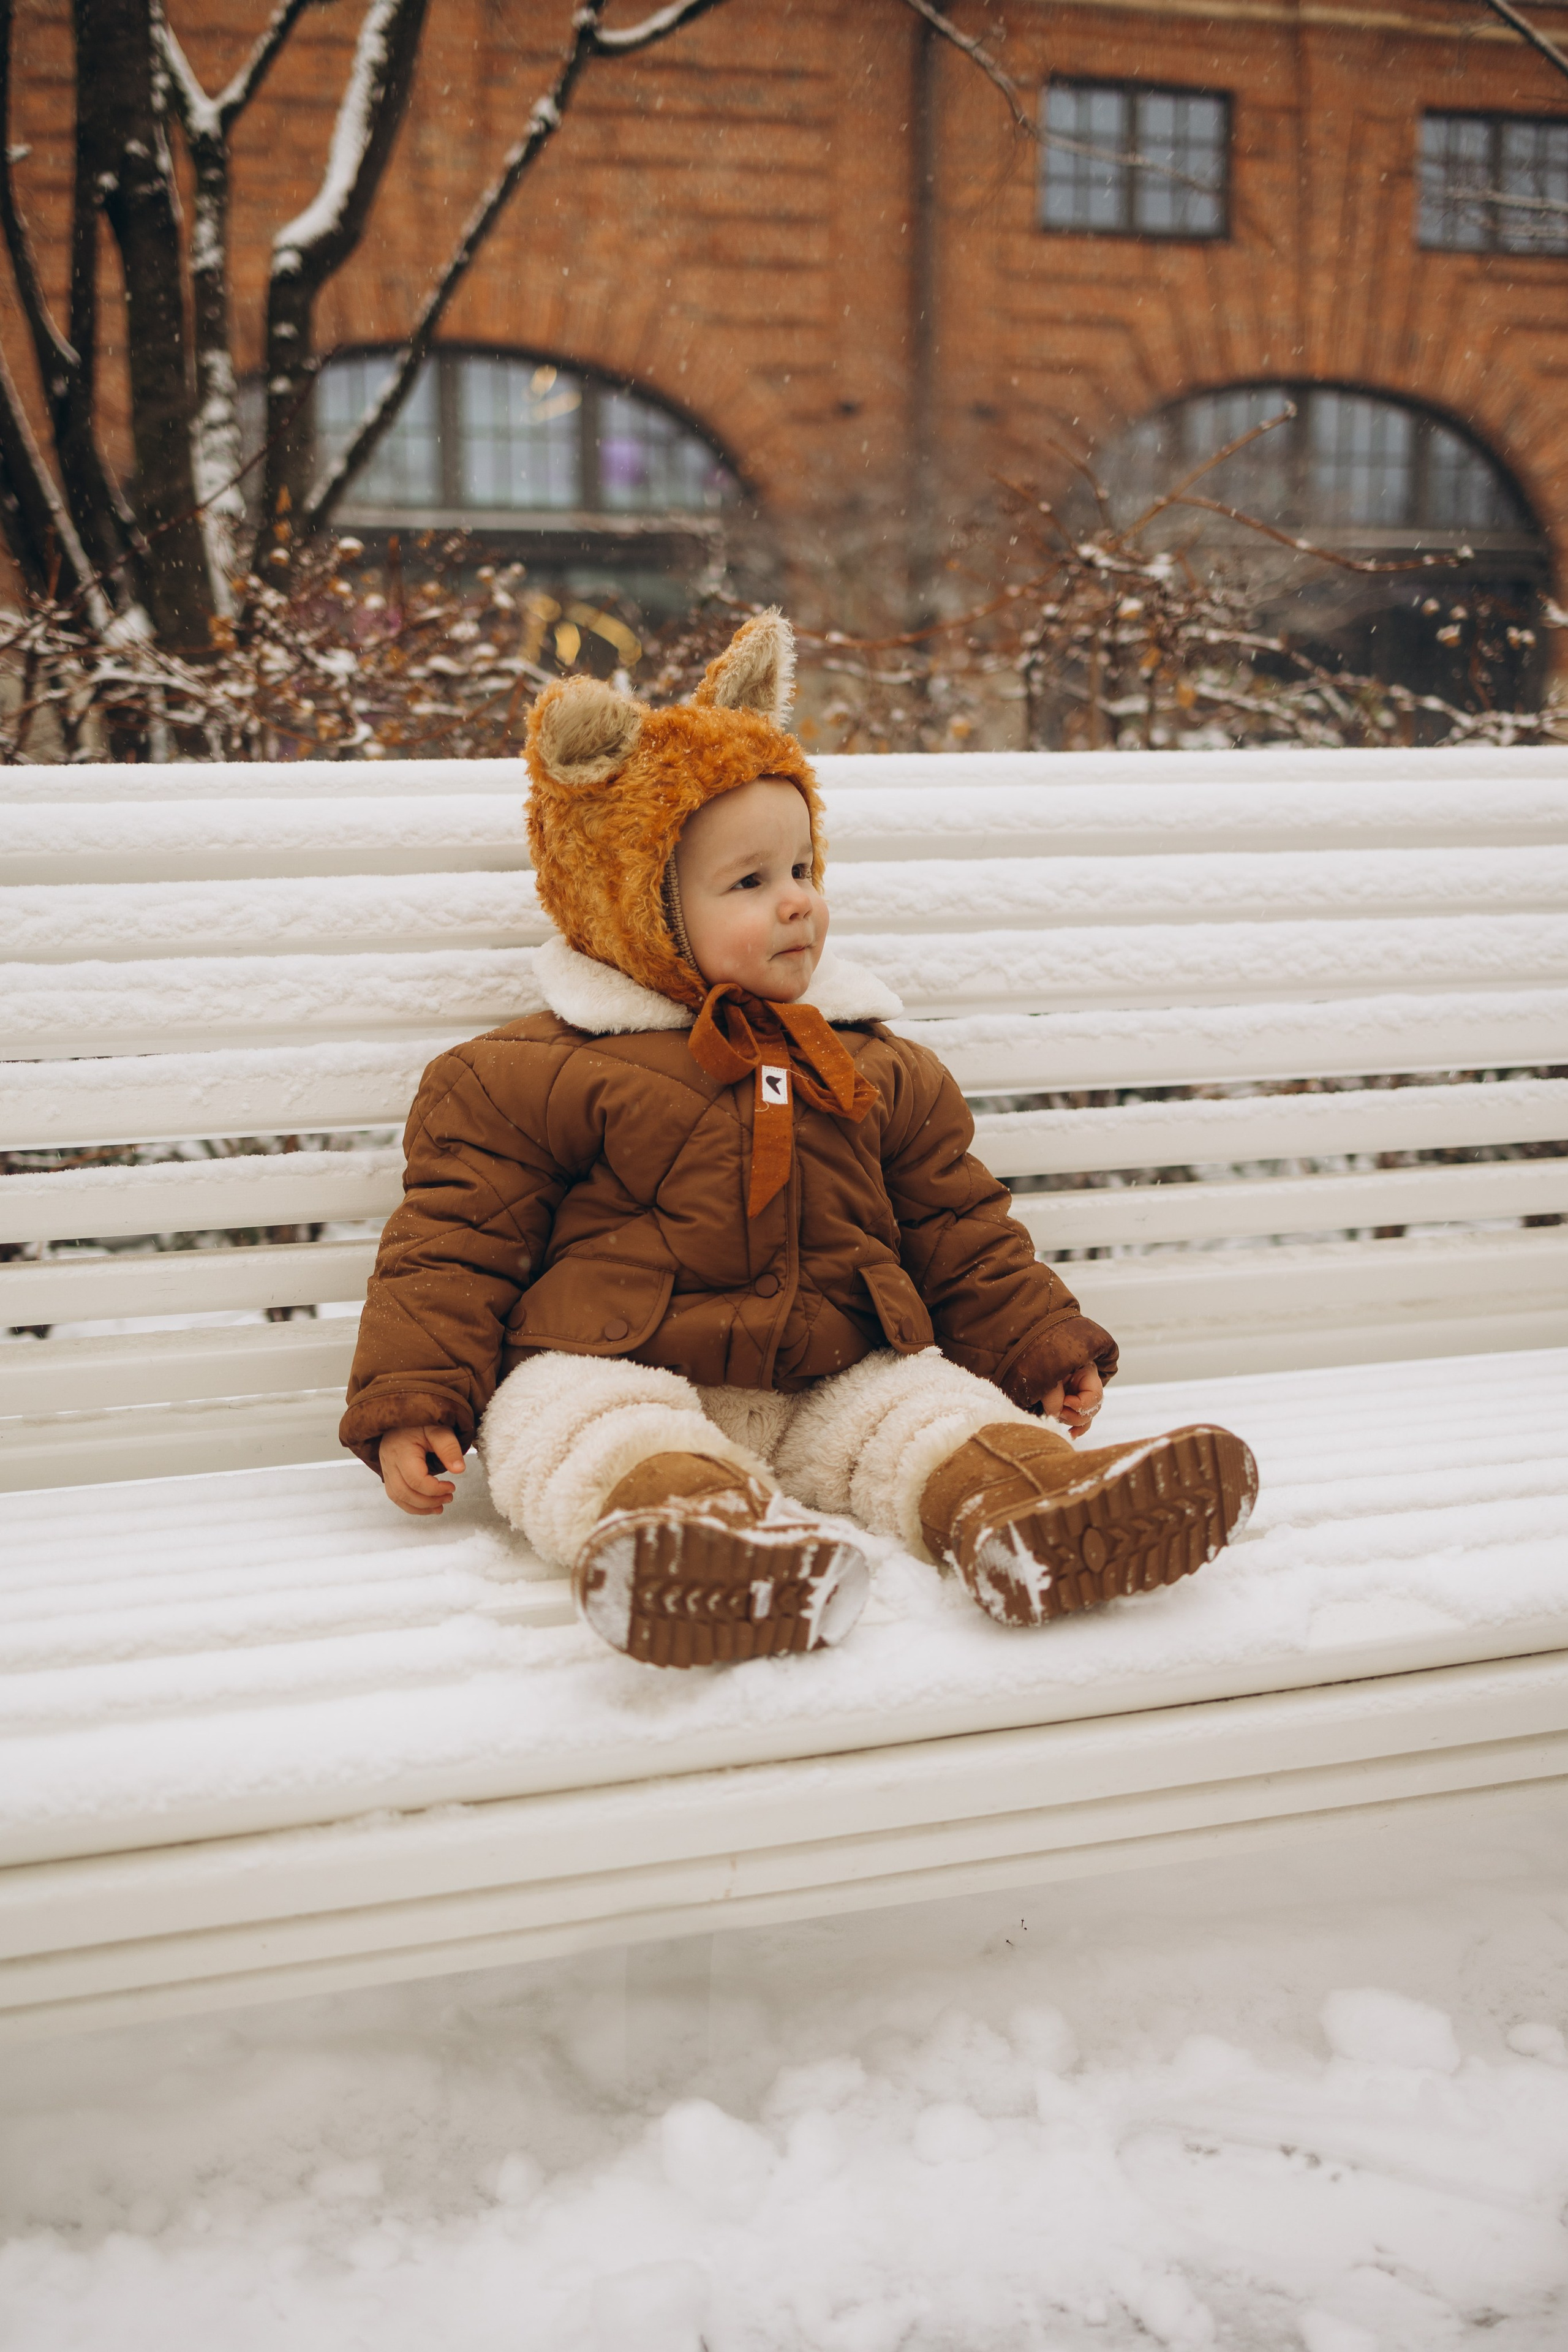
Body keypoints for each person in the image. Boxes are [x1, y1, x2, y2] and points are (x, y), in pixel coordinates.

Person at [341, 611, 1256, 1669]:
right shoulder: (531, 1073)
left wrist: (1035, 1345)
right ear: (637, 900)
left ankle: (1028, 1508)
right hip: (624, 1362)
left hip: (831, 1372)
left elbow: (960, 1226)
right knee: (563, 1418)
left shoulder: (872, 1063)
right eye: (750, 883)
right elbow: (452, 1248)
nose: (796, 905)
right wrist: (416, 1399)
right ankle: (700, 1538)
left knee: (922, 1409)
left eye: (805, 869)